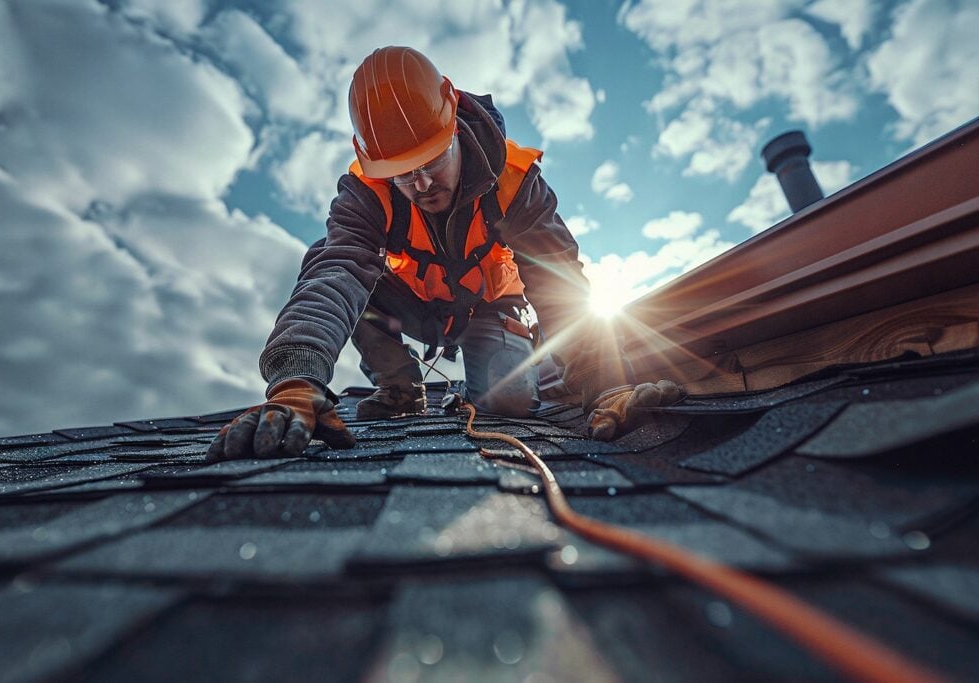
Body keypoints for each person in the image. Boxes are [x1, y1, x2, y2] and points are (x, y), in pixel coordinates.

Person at [207, 46, 679, 462]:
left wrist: (604, 380)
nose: (422, 184)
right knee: (330, 260)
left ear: (452, 115)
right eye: (403, 172)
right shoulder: (365, 195)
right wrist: (295, 379)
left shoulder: (515, 184)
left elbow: (560, 282)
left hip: (488, 307)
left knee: (509, 404)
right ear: (367, 155)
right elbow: (335, 273)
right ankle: (399, 390)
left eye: (432, 159)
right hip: (412, 307)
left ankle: (528, 372)